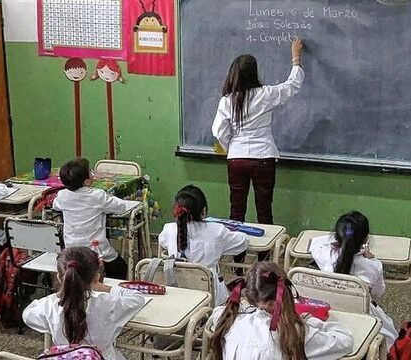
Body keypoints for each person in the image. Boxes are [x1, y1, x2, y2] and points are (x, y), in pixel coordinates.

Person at [212, 38, 304, 225]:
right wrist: (296, 58)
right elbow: (292, 85)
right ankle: (265, 254)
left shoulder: (227, 100)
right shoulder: (266, 94)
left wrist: (232, 148)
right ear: (255, 73)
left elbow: (218, 131)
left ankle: (238, 253)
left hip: (237, 159)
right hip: (263, 157)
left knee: (236, 211)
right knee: (264, 210)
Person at [210, 261, 353, 360]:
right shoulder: (293, 332)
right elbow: (345, 341)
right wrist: (312, 320)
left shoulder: (230, 320)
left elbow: (217, 312)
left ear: (249, 295)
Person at [23, 246, 144, 360]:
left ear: (60, 278)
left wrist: (62, 293)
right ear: (96, 277)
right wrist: (104, 287)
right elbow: (137, 298)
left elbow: (28, 314)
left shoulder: (50, 306)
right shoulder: (109, 304)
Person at [309, 211, 398, 348]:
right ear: (366, 239)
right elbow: (378, 292)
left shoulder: (324, 254)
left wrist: (337, 242)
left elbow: (315, 244)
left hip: (329, 313)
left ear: (336, 236)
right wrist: (372, 259)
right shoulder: (373, 265)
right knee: (389, 332)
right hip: (361, 315)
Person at [158, 185, 249, 305]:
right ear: (204, 211)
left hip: (178, 294)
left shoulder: (169, 229)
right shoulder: (217, 231)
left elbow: (162, 241)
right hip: (211, 298)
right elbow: (242, 242)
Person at [53, 158, 130, 279]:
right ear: (87, 181)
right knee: (121, 267)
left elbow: (55, 205)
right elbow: (121, 206)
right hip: (96, 250)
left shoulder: (62, 196)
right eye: (90, 172)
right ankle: (109, 290)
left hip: (71, 250)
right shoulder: (97, 195)